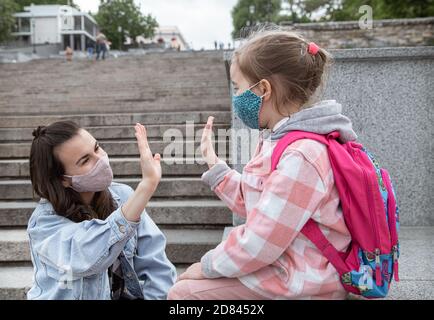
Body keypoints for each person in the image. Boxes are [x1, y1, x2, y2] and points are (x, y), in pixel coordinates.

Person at [169, 29, 357, 300]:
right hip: (290, 267)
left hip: (305, 281)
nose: (235, 97)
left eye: (237, 87)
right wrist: (215, 165)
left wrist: (207, 266)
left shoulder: (302, 155)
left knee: (183, 295)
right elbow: (258, 205)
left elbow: (260, 241)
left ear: (263, 89)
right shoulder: (278, 140)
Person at [27, 121, 176, 299]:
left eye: (97, 148)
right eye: (85, 160)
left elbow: (157, 267)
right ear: (63, 179)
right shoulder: (44, 223)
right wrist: (146, 187)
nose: (101, 160)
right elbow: (87, 258)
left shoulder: (124, 196)